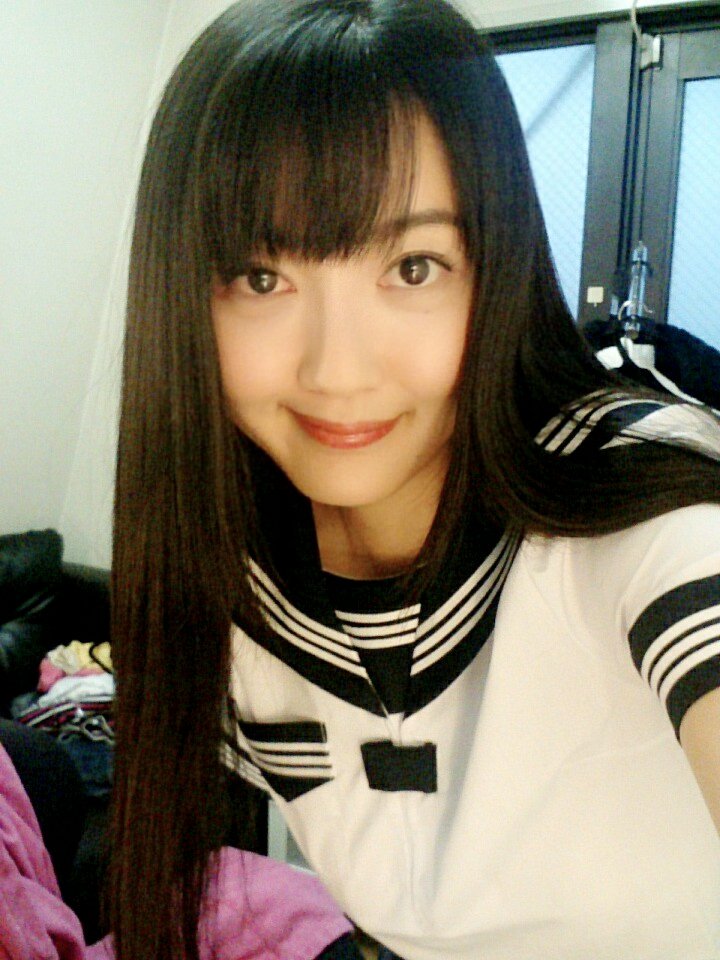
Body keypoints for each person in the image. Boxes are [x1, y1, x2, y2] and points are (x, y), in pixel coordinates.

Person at [110, 0, 720, 958]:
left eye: (414, 265)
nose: (338, 370)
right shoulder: (223, 561)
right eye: (262, 278)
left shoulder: (639, 508)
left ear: (495, 266)